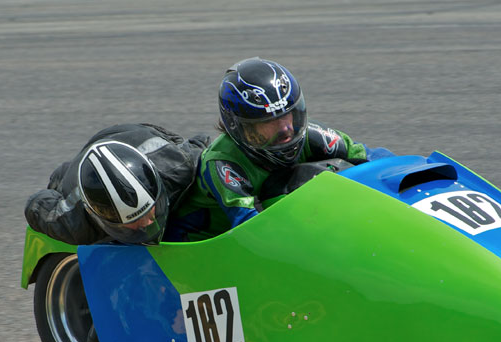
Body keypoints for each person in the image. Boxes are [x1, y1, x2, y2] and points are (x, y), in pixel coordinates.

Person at [166, 57, 393, 241]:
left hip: (250, 240)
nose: (286, 129)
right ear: (239, 127)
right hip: (201, 251)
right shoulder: (224, 163)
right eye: (269, 123)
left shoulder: (310, 135)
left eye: (289, 115)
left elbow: (373, 159)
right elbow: (251, 228)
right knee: (285, 188)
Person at [25, 123, 209, 245]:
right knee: (58, 180)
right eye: (135, 221)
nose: (147, 223)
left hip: (140, 135)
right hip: (76, 169)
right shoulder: (76, 220)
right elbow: (35, 204)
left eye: (147, 211)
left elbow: (204, 145)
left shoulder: (179, 166)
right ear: (104, 219)